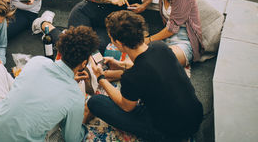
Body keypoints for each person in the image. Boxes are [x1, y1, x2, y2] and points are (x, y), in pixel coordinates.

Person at [87, 10, 203, 141]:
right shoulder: (160, 47)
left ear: (118, 43)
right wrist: (120, 64)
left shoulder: (131, 77)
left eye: (111, 38)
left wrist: (101, 78)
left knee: (95, 102)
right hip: (195, 116)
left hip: (170, 133)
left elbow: (126, 106)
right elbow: (148, 65)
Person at [0, 26, 100, 142]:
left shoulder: (38, 61)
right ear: (83, 63)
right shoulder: (75, 96)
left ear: (60, 52)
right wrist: (83, 125)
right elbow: (71, 138)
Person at [145, 0, 204, 66]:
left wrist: (149, 40)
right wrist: (142, 6)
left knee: (160, 63)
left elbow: (172, 29)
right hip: (167, 37)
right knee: (143, 59)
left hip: (185, 40)